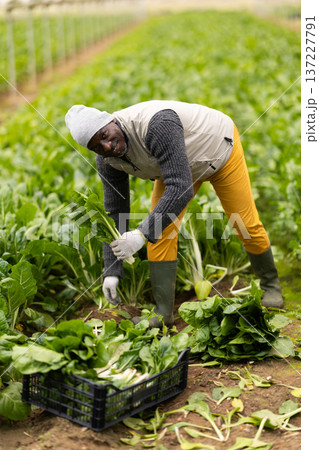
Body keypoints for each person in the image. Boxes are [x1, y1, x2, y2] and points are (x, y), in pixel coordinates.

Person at [65, 100, 283, 327]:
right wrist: (112, 270)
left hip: (219, 151)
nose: (106, 146)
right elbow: (115, 209)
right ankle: (163, 314)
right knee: (160, 233)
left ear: (111, 120)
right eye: (96, 146)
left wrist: (140, 234)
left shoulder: (156, 124)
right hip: (177, 168)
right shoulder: (108, 160)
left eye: (104, 135)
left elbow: (181, 188)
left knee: (244, 225)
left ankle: (271, 285)